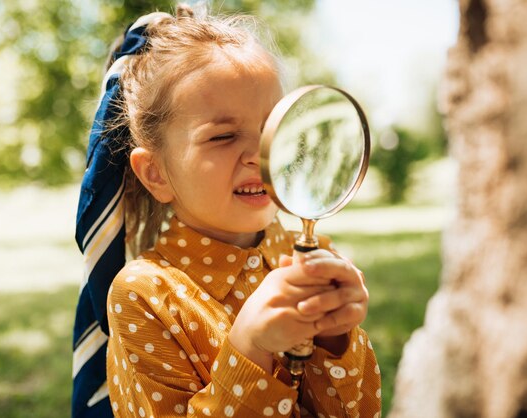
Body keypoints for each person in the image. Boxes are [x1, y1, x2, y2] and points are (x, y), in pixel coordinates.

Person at [80, 4, 381, 417]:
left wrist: (336, 341)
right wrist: (252, 348)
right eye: (222, 136)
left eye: (272, 128)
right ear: (156, 173)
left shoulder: (310, 255)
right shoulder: (145, 295)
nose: (258, 154)